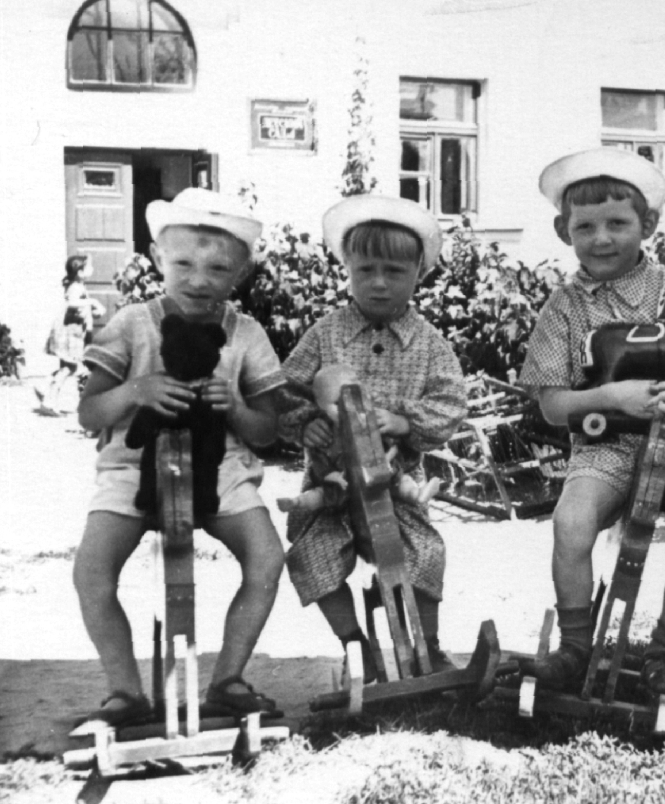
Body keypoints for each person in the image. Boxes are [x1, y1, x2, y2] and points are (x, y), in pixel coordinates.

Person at [517, 147, 665, 705]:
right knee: (572, 521)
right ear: (563, 231)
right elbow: (551, 406)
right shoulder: (564, 307)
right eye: (585, 227)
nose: (601, 239)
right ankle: (575, 646)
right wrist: (609, 396)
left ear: (647, 224)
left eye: (617, 224)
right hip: (609, 447)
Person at [73, 187, 286, 726]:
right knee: (91, 572)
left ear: (240, 273)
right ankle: (125, 691)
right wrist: (135, 391)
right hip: (132, 467)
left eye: (218, 269)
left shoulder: (246, 334)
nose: (199, 280)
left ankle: (228, 679)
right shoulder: (132, 323)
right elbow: (90, 413)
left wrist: (235, 406)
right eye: (184, 264)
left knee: (266, 557)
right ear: (157, 257)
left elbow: (267, 432)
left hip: (221, 468)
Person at [278, 195, 467, 683]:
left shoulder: (429, 343)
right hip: (333, 486)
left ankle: (428, 646)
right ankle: (356, 646)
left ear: (419, 273)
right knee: (311, 554)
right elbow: (284, 391)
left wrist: (406, 422)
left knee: (425, 552)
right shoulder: (326, 333)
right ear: (348, 270)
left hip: (395, 482)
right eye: (365, 270)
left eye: (394, 271)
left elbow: (450, 402)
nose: (379, 282)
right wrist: (305, 421)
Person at [275, 363, 440, 514]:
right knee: (321, 495)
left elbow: (395, 447)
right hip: (344, 483)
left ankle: (417, 494)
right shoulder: (324, 433)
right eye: (337, 404)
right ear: (321, 406)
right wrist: (333, 476)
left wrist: (387, 458)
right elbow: (319, 463)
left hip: (381, 480)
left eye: (357, 400)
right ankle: (297, 502)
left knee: (402, 482)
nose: (348, 410)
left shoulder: (376, 420)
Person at [37, 254, 106, 416]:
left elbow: (80, 309)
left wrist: (93, 312)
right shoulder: (75, 287)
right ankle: (49, 401)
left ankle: (46, 387)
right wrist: (93, 302)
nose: (92, 269)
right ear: (80, 272)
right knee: (71, 367)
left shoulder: (79, 285)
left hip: (74, 333)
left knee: (68, 366)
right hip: (70, 334)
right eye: (89, 266)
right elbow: (72, 303)